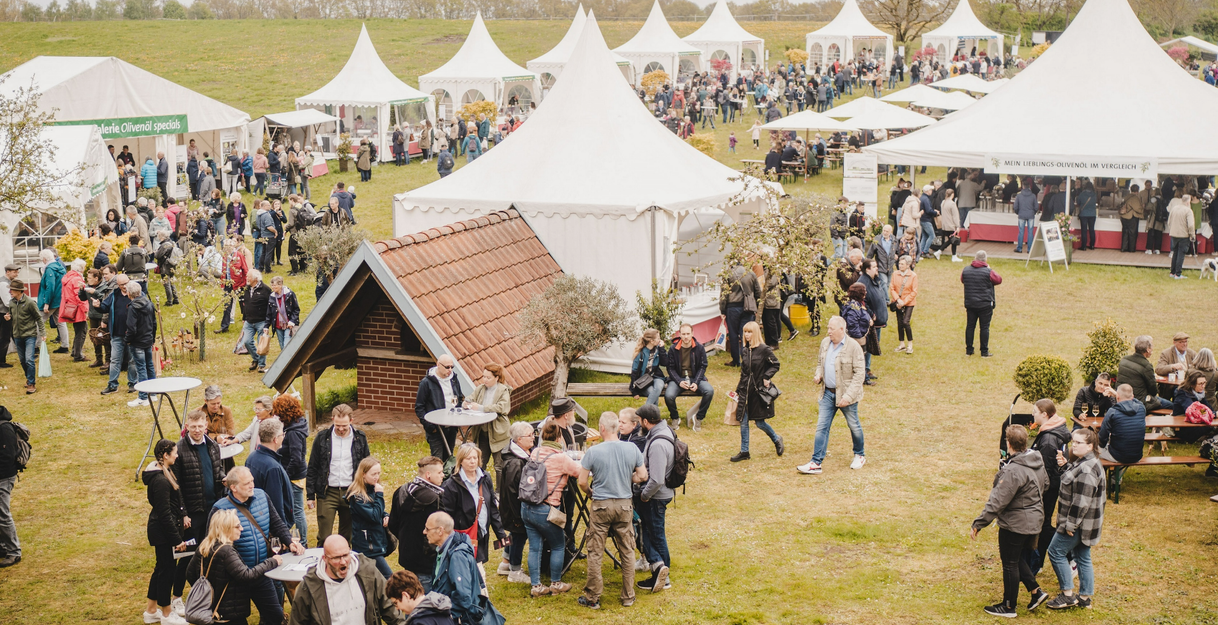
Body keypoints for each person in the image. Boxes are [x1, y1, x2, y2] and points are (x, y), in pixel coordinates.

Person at [970, 424, 1051, 618]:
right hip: (1034, 520)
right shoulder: (1036, 461)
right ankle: (1035, 591)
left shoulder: (1013, 471)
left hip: (1016, 524)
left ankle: (1008, 606)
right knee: (1017, 558)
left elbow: (997, 501)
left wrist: (979, 523)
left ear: (1008, 443)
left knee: (1009, 562)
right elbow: (1046, 484)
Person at [209, 467, 304, 625]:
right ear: (234, 487)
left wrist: (289, 542)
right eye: (247, 483)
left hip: (261, 572)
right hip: (234, 581)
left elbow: (277, 523)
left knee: (275, 616)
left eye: (252, 480)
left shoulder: (262, 496)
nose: (252, 485)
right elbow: (212, 546)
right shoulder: (220, 509)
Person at [577, 411, 646, 609]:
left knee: (595, 550)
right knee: (627, 549)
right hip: (624, 505)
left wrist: (590, 492)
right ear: (617, 427)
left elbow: (582, 481)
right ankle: (628, 596)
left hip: (601, 505)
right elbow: (642, 475)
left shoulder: (593, 451)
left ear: (602, 428)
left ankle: (593, 597)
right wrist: (627, 478)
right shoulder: (631, 448)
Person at [186, 509, 283, 625]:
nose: (241, 528)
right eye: (237, 526)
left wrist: (208, 592)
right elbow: (246, 575)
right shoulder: (227, 552)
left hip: (211, 611)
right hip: (230, 615)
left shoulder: (205, 546)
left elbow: (190, 574)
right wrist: (272, 562)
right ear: (225, 528)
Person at [1044, 427, 1105, 610]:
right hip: (1086, 524)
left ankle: (1067, 596)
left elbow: (1081, 502)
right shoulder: (1085, 462)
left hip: (1077, 523)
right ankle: (1085, 597)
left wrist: (1070, 524)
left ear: (1090, 446)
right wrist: (1065, 466)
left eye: (1078, 443)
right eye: (1073, 442)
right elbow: (1074, 479)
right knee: (1082, 557)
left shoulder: (1086, 469)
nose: (1074, 445)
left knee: (1055, 552)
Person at [798, 316, 866, 475]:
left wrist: (848, 397)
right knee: (822, 427)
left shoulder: (854, 347)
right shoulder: (825, 343)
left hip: (846, 396)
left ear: (842, 329)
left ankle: (860, 454)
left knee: (853, 425)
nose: (828, 331)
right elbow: (820, 364)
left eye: (831, 329)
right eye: (828, 328)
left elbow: (859, 375)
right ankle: (816, 462)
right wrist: (818, 374)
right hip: (827, 393)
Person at [289, 535, 403, 625]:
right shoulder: (310, 586)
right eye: (337, 557)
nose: (343, 562)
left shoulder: (368, 573)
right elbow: (297, 622)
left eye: (345, 555)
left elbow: (391, 610)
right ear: (325, 559)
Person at [174, 410, 227, 598]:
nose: (197, 430)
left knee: (212, 552)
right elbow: (176, 486)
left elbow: (217, 470)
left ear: (206, 426)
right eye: (193, 426)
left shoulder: (213, 446)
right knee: (189, 556)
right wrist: (184, 513)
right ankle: (177, 596)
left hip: (214, 509)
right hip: (193, 513)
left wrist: (224, 480)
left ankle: (207, 592)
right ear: (187, 426)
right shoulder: (179, 450)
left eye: (200, 426)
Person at [306, 404, 370, 547]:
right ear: (332, 419)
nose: (341, 429)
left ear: (351, 421)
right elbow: (313, 467)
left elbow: (367, 466)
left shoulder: (360, 438)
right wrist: (310, 495)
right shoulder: (322, 438)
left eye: (344, 426)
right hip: (327, 493)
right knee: (324, 537)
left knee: (347, 537)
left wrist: (367, 490)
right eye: (337, 425)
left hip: (351, 492)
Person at [143, 439, 191, 625]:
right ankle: (166, 614)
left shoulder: (165, 472)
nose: (177, 455)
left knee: (161, 569)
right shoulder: (161, 481)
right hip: (163, 532)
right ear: (165, 455)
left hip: (163, 530)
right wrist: (176, 539)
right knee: (167, 572)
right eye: (175, 453)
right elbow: (164, 513)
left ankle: (151, 610)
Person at [425, 511, 503, 624]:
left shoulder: (457, 556)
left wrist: (447, 617)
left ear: (440, 531)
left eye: (427, 529)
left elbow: (463, 596)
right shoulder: (444, 550)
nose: (424, 532)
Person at [440, 443, 505, 566]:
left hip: (482, 533)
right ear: (460, 461)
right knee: (472, 570)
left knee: (477, 566)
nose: (472, 461)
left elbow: (492, 507)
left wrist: (500, 534)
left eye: (475, 458)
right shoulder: (451, 485)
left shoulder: (485, 477)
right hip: (463, 536)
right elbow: (446, 516)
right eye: (468, 458)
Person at [388, 456, 445, 592]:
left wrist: (407, 538)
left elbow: (392, 524)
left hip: (407, 556)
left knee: (411, 598)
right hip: (427, 561)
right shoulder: (434, 499)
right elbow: (440, 532)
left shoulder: (401, 491)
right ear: (428, 475)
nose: (443, 475)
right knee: (426, 604)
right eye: (440, 472)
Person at [1029, 399, 1071, 576]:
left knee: (1044, 525)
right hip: (1054, 484)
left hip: (1048, 488)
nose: (1033, 414)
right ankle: (1038, 562)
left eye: (1035, 412)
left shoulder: (1047, 439)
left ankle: (1068, 556)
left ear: (1044, 414)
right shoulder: (1056, 429)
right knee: (1043, 524)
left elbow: (1044, 470)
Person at [731, 321, 783, 462]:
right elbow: (744, 373)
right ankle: (744, 451)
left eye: (750, 332)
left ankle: (776, 439)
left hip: (758, 392)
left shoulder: (764, 349)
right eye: (745, 332)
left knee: (760, 423)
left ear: (755, 333)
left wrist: (766, 377)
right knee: (743, 421)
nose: (747, 335)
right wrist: (737, 391)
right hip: (745, 392)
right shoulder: (745, 350)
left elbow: (775, 364)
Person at [635, 404, 673, 593]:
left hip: (656, 497)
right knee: (652, 533)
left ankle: (663, 578)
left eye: (639, 420)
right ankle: (659, 573)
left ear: (646, 421)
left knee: (657, 536)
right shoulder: (665, 431)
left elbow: (656, 479)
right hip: (659, 495)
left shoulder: (657, 444)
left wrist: (644, 495)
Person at [494, 422, 534, 586]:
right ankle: (515, 571)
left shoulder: (516, 454)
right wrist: (518, 516)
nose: (533, 438)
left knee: (513, 535)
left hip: (510, 509)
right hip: (514, 509)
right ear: (519, 439)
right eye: (530, 435)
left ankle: (505, 562)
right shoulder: (516, 463)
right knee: (519, 535)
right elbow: (512, 492)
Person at [463, 364, 511, 487]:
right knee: (480, 463)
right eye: (483, 377)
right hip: (482, 432)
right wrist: (466, 403)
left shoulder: (502, 390)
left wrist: (482, 408)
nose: (485, 380)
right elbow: (470, 398)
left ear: (496, 377)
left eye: (488, 377)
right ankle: (479, 488)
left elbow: (502, 407)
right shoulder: (480, 389)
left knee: (499, 465)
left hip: (498, 433)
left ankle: (499, 492)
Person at [346, 457, 393, 579]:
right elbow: (373, 516)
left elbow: (378, 511)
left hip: (375, 542)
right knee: (388, 577)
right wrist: (379, 495)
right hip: (367, 547)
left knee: (373, 579)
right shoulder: (357, 497)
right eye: (373, 474)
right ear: (363, 474)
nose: (376, 477)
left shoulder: (372, 489)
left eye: (378, 473)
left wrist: (385, 515)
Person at [246, 419, 293, 530]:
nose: (284, 437)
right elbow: (276, 505)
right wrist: (283, 533)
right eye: (282, 434)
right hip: (272, 528)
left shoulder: (252, 457)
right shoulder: (272, 468)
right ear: (275, 439)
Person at [664, 323, 714, 429]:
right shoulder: (673, 349)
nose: (686, 336)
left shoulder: (699, 348)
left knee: (709, 391)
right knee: (668, 396)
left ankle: (698, 418)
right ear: (680, 335)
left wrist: (696, 382)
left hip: (696, 378)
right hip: (678, 378)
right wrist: (679, 381)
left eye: (688, 333)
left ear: (692, 333)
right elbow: (670, 368)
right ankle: (675, 418)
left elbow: (703, 366)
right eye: (683, 334)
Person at [415, 355, 463, 461]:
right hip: (436, 428)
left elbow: (459, 398)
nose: (450, 370)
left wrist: (457, 418)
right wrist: (430, 427)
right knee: (437, 461)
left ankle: (447, 477)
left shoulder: (454, 379)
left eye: (452, 367)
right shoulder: (426, 383)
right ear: (438, 365)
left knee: (449, 458)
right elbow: (419, 407)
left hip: (451, 426)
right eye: (447, 367)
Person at [719, 260, 762, 367]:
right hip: (747, 307)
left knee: (733, 334)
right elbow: (758, 292)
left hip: (732, 307)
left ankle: (735, 361)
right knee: (746, 334)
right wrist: (755, 307)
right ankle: (746, 361)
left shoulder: (728, 274)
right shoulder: (751, 273)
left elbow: (724, 295)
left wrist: (722, 310)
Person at [961, 249, 1001, 357]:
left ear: (975, 258)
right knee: (984, 327)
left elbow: (963, 280)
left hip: (970, 303)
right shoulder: (988, 272)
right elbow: (998, 280)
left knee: (970, 326)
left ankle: (969, 350)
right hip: (985, 303)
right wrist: (989, 268)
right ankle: (984, 351)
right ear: (985, 260)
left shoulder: (966, 270)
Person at [1119, 335, 1172, 412]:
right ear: (1147, 350)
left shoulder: (1124, 360)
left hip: (1122, 397)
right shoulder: (1146, 366)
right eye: (1151, 347)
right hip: (1140, 402)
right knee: (1172, 406)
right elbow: (1154, 391)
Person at [125, 282, 157, 408]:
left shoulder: (133, 308)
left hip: (137, 341)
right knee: (149, 366)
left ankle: (143, 397)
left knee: (141, 368)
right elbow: (154, 324)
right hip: (148, 339)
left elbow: (131, 328)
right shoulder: (149, 304)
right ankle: (153, 394)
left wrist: (127, 340)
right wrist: (152, 338)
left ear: (128, 293)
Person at [1098, 384, 1147, 463]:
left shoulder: (1112, 411)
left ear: (1117, 397)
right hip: (1137, 456)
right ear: (1132, 396)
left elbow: (1102, 439)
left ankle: (1099, 474)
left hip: (1118, 456)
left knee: (1091, 449)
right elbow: (1138, 401)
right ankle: (1116, 475)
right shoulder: (1141, 408)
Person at [385, 570, 456, 625]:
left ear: (405, 596)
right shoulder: (441, 610)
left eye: (396, 603)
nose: (397, 608)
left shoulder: (419, 622)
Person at [0, 406, 22, 567]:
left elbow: (7, 457)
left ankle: (14, 552)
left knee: (2, 514)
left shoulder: (5, 428)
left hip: (4, 477)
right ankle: (2, 547)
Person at [36, 249, 69, 352]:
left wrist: (46, 303)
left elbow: (50, 286)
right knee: (61, 322)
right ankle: (65, 345)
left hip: (51, 300)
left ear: (45, 259)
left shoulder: (49, 269)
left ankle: (36, 346)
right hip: (60, 299)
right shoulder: (60, 267)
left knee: (39, 322)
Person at [241, 269, 272, 373]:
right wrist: (244, 318)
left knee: (261, 343)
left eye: (248, 277)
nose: (247, 279)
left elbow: (270, 306)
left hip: (261, 321)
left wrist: (268, 322)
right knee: (247, 341)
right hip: (249, 321)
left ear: (255, 279)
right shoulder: (246, 289)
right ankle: (256, 359)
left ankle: (261, 365)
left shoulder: (266, 290)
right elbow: (246, 304)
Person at [58, 258, 88, 361]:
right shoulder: (76, 279)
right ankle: (78, 355)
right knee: (82, 331)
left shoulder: (68, 277)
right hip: (77, 308)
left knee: (78, 331)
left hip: (71, 307)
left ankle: (75, 351)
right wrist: (85, 309)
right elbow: (79, 295)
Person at [630, 328, 667, 406]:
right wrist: (634, 391)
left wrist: (662, 349)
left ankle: (643, 413)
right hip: (644, 380)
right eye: (658, 338)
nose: (660, 340)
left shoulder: (658, 350)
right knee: (653, 395)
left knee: (658, 388)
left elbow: (665, 363)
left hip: (657, 377)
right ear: (652, 341)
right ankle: (653, 417)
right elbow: (634, 372)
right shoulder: (641, 354)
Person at [889, 255, 918, 354]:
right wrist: (897, 299)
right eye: (899, 263)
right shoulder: (895, 274)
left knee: (906, 322)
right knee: (900, 322)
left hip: (909, 303)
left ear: (908, 265)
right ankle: (902, 344)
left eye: (902, 264)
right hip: (898, 301)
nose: (899, 265)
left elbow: (914, 292)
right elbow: (892, 288)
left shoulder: (913, 276)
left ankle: (910, 344)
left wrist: (904, 302)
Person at [1156, 332, 1196, 398]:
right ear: (1174, 343)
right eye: (1181, 342)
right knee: (1179, 392)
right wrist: (1172, 366)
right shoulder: (1166, 353)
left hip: (1188, 384)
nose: (1184, 344)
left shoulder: (1192, 353)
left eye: (1186, 341)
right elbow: (1158, 369)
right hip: (1172, 386)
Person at [1166, 191, 1196, 278]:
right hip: (1184, 235)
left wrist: (1172, 229)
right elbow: (1190, 225)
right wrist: (1192, 235)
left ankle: (1172, 272)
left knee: (1175, 253)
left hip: (1174, 234)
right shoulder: (1188, 211)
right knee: (1181, 254)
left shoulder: (1174, 209)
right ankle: (1178, 274)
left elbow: (1169, 221)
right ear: (1188, 201)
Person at [265, 275, 299, 350]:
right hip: (278, 326)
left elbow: (296, 309)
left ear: (280, 285)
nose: (273, 288)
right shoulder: (272, 296)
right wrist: (266, 326)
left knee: (286, 346)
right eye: (272, 286)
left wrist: (292, 321)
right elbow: (269, 313)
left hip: (288, 325)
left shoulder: (289, 294)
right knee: (282, 347)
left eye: (275, 286)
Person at [1013, 181, 1038, 253]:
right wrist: (1033, 212)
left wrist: (1018, 213)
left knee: (1021, 232)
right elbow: (1036, 207)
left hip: (1021, 215)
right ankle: (1029, 249)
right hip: (1030, 215)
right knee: (1030, 232)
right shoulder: (1033, 196)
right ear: (1029, 187)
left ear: (1022, 186)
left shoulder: (1019, 196)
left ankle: (1019, 248)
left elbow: (1015, 207)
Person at [1118, 184, 1144, 253]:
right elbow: (1138, 209)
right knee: (1132, 233)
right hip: (1131, 217)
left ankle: (1123, 248)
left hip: (1124, 216)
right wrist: (1142, 208)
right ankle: (1131, 249)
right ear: (1137, 190)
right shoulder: (1135, 198)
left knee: (1125, 232)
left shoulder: (1127, 196)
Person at [1076, 180, 1098, 250]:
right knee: (1092, 229)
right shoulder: (1094, 194)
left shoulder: (1082, 194)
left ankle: (1084, 246)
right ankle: (1092, 245)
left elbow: (1078, 202)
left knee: (1084, 230)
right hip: (1092, 214)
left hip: (1084, 214)